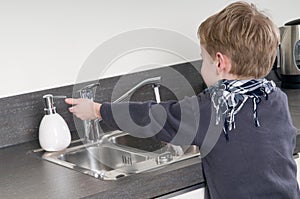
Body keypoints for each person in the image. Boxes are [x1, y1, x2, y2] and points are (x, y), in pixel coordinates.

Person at [65, 1, 300, 198]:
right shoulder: (275, 97)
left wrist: (98, 110)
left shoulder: (212, 107)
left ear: (220, 63)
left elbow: (151, 118)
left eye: (203, 59)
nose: (202, 66)